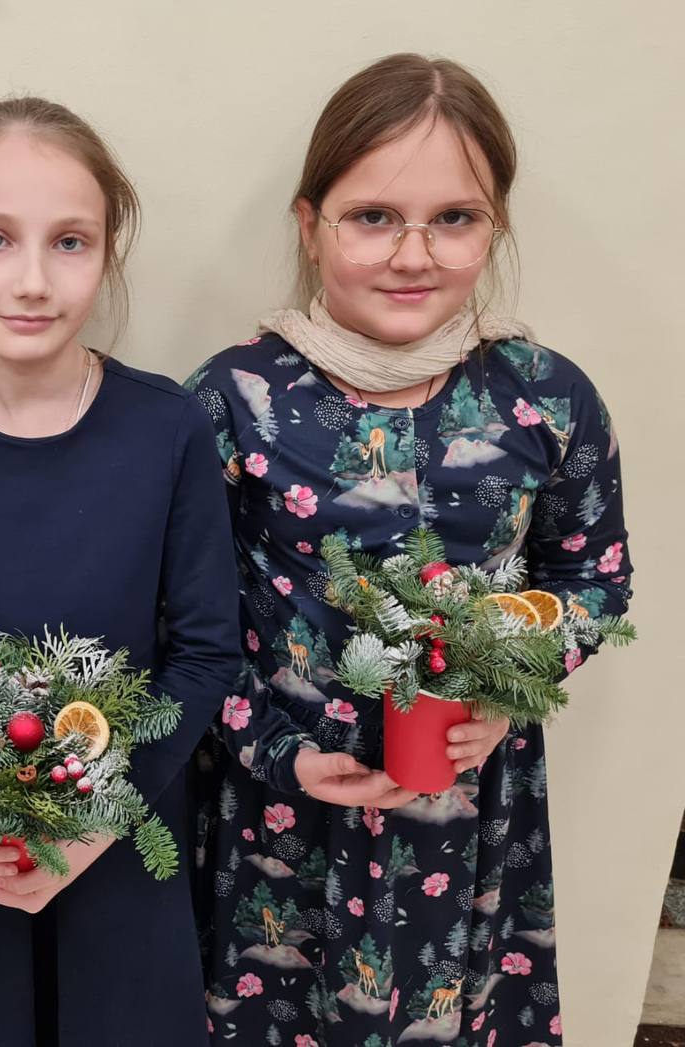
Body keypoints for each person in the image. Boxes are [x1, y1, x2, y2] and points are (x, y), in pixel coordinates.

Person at [190, 53, 631, 1046]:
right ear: (309, 226)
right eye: (373, 217)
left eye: (453, 218)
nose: (412, 254)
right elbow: (181, 615)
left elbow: (592, 576)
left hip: (466, 812)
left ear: (494, 227)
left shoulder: (545, 397)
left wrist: (511, 687)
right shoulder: (233, 399)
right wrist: (278, 753)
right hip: (284, 810)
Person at [0, 96, 239, 1046]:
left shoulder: (167, 428)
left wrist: (98, 821)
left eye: (69, 242)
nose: (31, 280)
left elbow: (204, 650)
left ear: (107, 253)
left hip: (125, 830)